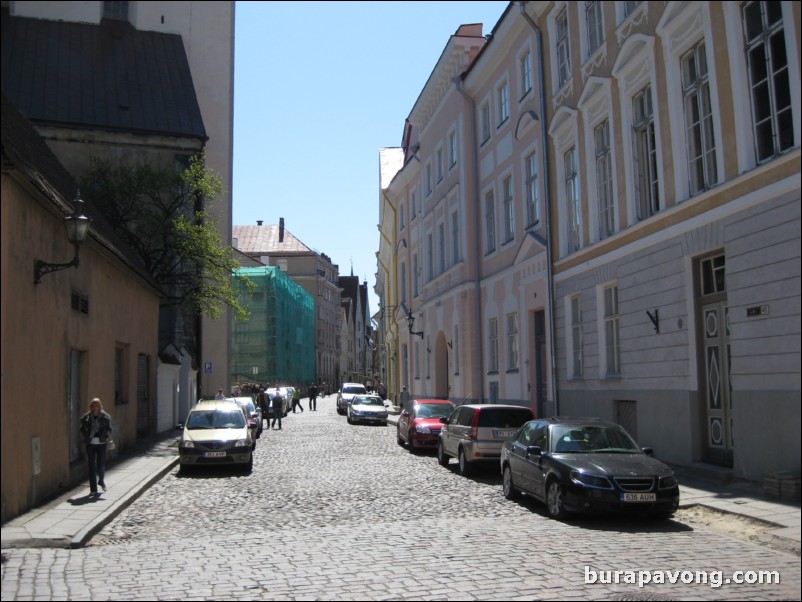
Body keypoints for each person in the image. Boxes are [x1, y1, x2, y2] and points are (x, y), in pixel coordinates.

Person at [79, 398, 112, 496]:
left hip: (101, 443)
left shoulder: (105, 417)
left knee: (101, 464)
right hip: (91, 444)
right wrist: (86, 436)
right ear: (91, 407)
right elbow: (82, 428)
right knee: (91, 466)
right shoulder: (86, 418)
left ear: (100, 406)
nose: (95, 408)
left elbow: (109, 429)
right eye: (93, 406)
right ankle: (93, 489)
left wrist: (106, 435)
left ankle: (101, 480)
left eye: (97, 406)